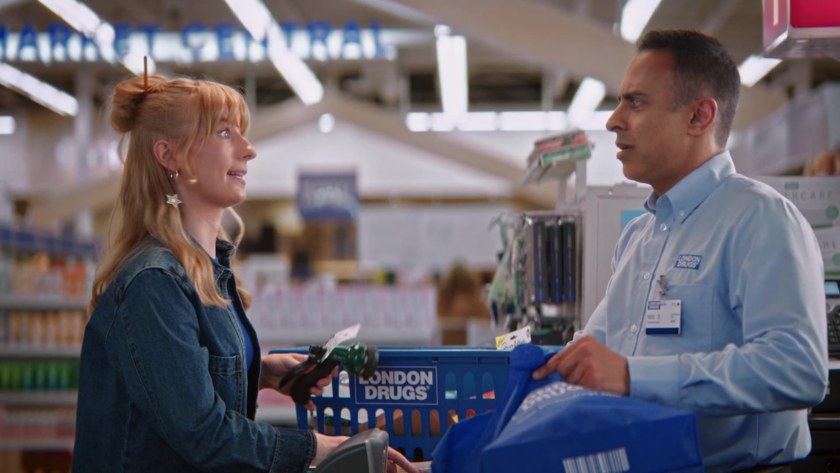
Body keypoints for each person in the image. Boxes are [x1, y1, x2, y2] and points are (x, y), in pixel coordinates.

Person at [72, 72, 417, 473]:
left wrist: (260, 371)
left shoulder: (208, 268)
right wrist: (322, 448)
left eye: (242, 133)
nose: (249, 150)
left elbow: (184, 389)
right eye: (224, 133)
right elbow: (204, 435)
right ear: (169, 156)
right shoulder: (154, 282)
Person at [533, 30, 828, 471]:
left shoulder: (761, 220)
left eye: (635, 102)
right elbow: (593, 355)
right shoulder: (639, 238)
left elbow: (798, 368)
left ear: (698, 116)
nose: (614, 120)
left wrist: (634, 376)